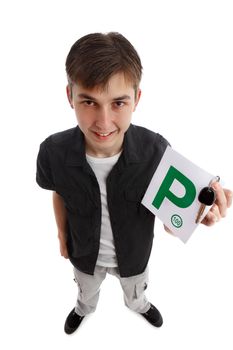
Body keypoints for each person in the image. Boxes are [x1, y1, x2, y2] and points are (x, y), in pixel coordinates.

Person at [36, 32, 232, 334]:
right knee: (86, 294)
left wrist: (199, 210)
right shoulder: (52, 151)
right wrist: (62, 237)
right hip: (84, 254)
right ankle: (83, 308)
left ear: (136, 99)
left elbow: (172, 219)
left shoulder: (156, 152)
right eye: (89, 101)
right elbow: (58, 193)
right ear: (69, 96)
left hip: (135, 256)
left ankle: (139, 305)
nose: (103, 122)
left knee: (136, 293)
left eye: (118, 103)